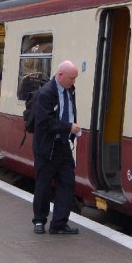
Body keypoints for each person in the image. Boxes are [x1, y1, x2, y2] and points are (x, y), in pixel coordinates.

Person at [31, 60, 81, 235]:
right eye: (71, 78)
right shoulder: (46, 93)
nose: (73, 82)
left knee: (67, 183)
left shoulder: (69, 90)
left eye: (74, 79)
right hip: (46, 147)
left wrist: (72, 133)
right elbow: (45, 123)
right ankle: (39, 221)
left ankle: (59, 223)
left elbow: (69, 110)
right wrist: (68, 127)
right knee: (43, 185)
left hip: (63, 146)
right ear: (60, 75)